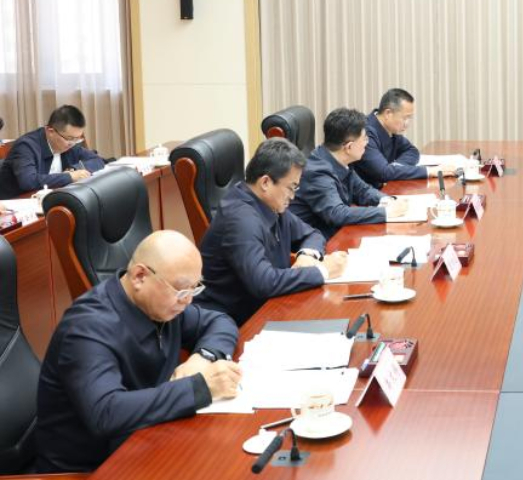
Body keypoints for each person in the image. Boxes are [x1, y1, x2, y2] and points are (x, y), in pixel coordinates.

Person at [34, 231, 241, 473]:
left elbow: (220, 321)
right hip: (92, 469)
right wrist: (200, 388)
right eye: (182, 291)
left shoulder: (163, 304)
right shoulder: (87, 328)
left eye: (194, 290)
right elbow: (106, 413)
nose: (187, 302)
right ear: (140, 276)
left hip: (147, 439)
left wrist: (202, 358)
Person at [196, 138, 348, 325]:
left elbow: (312, 234)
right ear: (266, 182)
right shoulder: (240, 219)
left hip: (268, 307)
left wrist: (306, 256)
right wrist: (322, 271)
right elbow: (264, 283)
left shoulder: (271, 204)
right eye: (291, 188)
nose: (293, 196)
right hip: (232, 322)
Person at [290, 108, 408, 239]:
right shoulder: (317, 172)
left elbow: (363, 190)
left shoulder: (339, 159)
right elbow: (338, 214)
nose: (366, 143)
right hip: (318, 243)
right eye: (364, 139)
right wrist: (386, 212)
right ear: (349, 147)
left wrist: (388, 201)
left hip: (338, 233)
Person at [353, 88, 455, 187]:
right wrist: (429, 171)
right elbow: (383, 173)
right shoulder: (365, 132)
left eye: (409, 118)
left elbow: (411, 151)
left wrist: (395, 167)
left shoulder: (389, 129)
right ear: (388, 113)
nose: (407, 124)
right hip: (362, 197)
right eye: (405, 118)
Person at [0, 105, 107, 199]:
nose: (73, 143)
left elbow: (97, 160)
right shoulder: (26, 146)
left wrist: (75, 169)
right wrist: (70, 177)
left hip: (51, 199)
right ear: (50, 131)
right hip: (17, 207)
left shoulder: (70, 142)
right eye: (69, 138)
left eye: (78, 139)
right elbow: (28, 181)